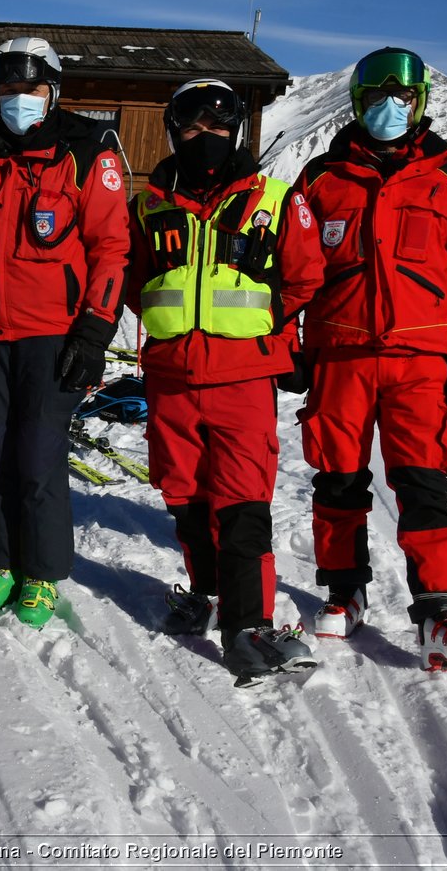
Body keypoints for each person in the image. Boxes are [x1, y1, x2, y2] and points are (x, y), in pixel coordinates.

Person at [292, 47, 447, 671]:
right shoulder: (322, 180)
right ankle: (343, 588)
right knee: (337, 478)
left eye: (403, 98)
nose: (391, 108)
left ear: (420, 105)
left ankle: (442, 609)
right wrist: (291, 349)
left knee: (423, 484)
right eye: (379, 98)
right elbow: (296, 276)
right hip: (341, 357)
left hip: (420, 363)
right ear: (358, 103)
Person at [126, 79, 324, 684]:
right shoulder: (150, 205)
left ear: (235, 129)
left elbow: (306, 276)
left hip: (242, 378)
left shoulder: (275, 199)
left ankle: (249, 626)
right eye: (192, 126)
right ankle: (207, 594)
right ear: (173, 131)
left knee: (241, 502)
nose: (204, 136)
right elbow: (134, 278)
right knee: (184, 493)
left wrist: (270, 333)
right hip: (170, 375)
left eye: (217, 125)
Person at [0, 37, 131, 629]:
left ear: (52, 92)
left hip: (53, 337)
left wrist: (94, 331)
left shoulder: (85, 152)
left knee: (36, 461)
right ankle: (2, 562)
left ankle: (42, 574)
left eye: (31, 90)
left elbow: (111, 249)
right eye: (9, 90)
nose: (20, 101)